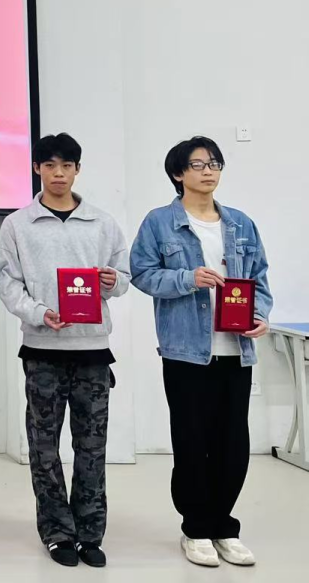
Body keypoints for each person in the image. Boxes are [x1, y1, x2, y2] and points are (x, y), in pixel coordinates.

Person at [129, 136, 272, 568]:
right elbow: (142, 274)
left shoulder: (241, 223)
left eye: (214, 164)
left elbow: (259, 278)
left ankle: (224, 526)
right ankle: (195, 528)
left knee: (233, 443)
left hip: (236, 349)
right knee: (192, 441)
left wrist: (260, 315)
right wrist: (187, 278)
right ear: (178, 173)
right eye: (197, 164)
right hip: (186, 352)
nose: (208, 171)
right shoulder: (160, 222)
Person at [0, 133, 129, 569]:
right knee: (44, 448)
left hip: (93, 351)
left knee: (92, 447)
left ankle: (90, 533)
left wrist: (112, 281)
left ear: (77, 170)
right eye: (50, 165)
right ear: (37, 168)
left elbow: (124, 277)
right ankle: (56, 532)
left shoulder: (102, 223)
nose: (58, 173)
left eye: (66, 165)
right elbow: (8, 284)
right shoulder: (18, 224)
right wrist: (38, 313)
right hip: (43, 351)